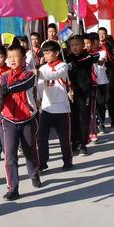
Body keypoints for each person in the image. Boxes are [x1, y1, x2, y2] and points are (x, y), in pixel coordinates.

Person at [0, 45, 41, 200]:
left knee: (30, 150)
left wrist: (4, 88)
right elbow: (1, 94)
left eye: (16, 56)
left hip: (28, 118)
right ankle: (13, 188)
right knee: (10, 155)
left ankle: (34, 173)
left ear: (23, 58)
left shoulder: (29, 74)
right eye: (10, 56)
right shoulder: (5, 76)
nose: (12, 59)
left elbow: (21, 85)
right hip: (9, 120)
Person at [37, 40, 73, 171]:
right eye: (44, 53)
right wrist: (38, 99)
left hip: (61, 108)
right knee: (41, 137)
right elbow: (40, 87)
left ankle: (67, 161)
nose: (45, 55)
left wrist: (39, 74)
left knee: (64, 138)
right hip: (46, 108)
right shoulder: (42, 68)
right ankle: (42, 162)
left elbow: (55, 75)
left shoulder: (63, 66)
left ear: (57, 53)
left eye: (48, 53)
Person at [67, 35, 99, 155]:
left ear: (82, 45)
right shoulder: (67, 58)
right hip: (71, 92)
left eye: (77, 45)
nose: (74, 47)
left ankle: (82, 143)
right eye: (72, 45)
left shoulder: (87, 56)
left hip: (84, 92)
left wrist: (73, 65)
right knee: (72, 118)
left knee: (83, 118)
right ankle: (74, 141)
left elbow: (93, 58)